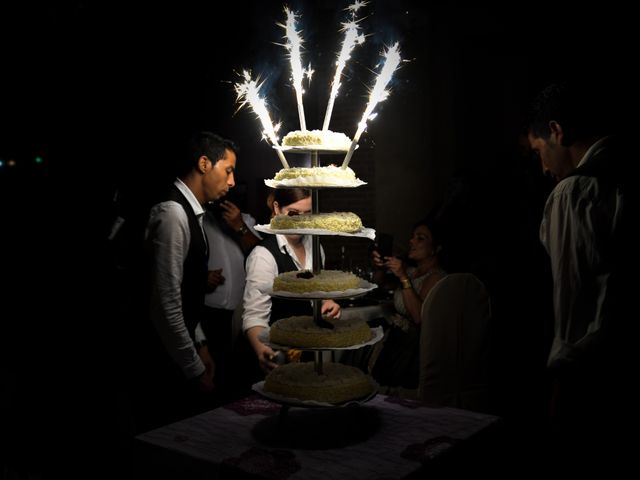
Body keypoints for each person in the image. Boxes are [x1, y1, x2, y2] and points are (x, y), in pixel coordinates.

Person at [527, 81, 633, 464]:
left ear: (557, 131)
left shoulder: (576, 193)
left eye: (539, 151)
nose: (543, 167)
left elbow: (575, 309)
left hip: (597, 380)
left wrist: (561, 386)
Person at [135, 131, 238, 431]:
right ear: (204, 163)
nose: (232, 182)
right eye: (228, 170)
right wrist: (193, 368)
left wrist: (201, 344)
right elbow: (165, 304)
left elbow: (187, 293)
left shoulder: (193, 213)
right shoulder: (172, 213)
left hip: (181, 351)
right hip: (160, 359)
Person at [241, 187, 341, 376]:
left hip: (304, 352)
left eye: (308, 214)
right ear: (277, 209)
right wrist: (263, 351)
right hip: (270, 356)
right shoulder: (263, 255)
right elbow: (254, 316)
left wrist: (326, 301)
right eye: (293, 214)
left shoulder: (315, 247)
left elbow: (317, 293)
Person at [369, 216, 447, 390]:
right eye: (413, 236)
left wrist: (402, 276)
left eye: (421, 238)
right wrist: (380, 267)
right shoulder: (411, 272)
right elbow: (377, 285)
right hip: (395, 344)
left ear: (436, 248)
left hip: (414, 353)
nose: (412, 241)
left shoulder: (438, 278)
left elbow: (419, 316)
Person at [200, 195, 261, 401]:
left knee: (238, 376)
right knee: (212, 377)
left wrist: (240, 226)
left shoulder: (247, 220)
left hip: (241, 313)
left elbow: (261, 255)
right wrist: (201, 277)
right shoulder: (200, 221)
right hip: (208, 313)